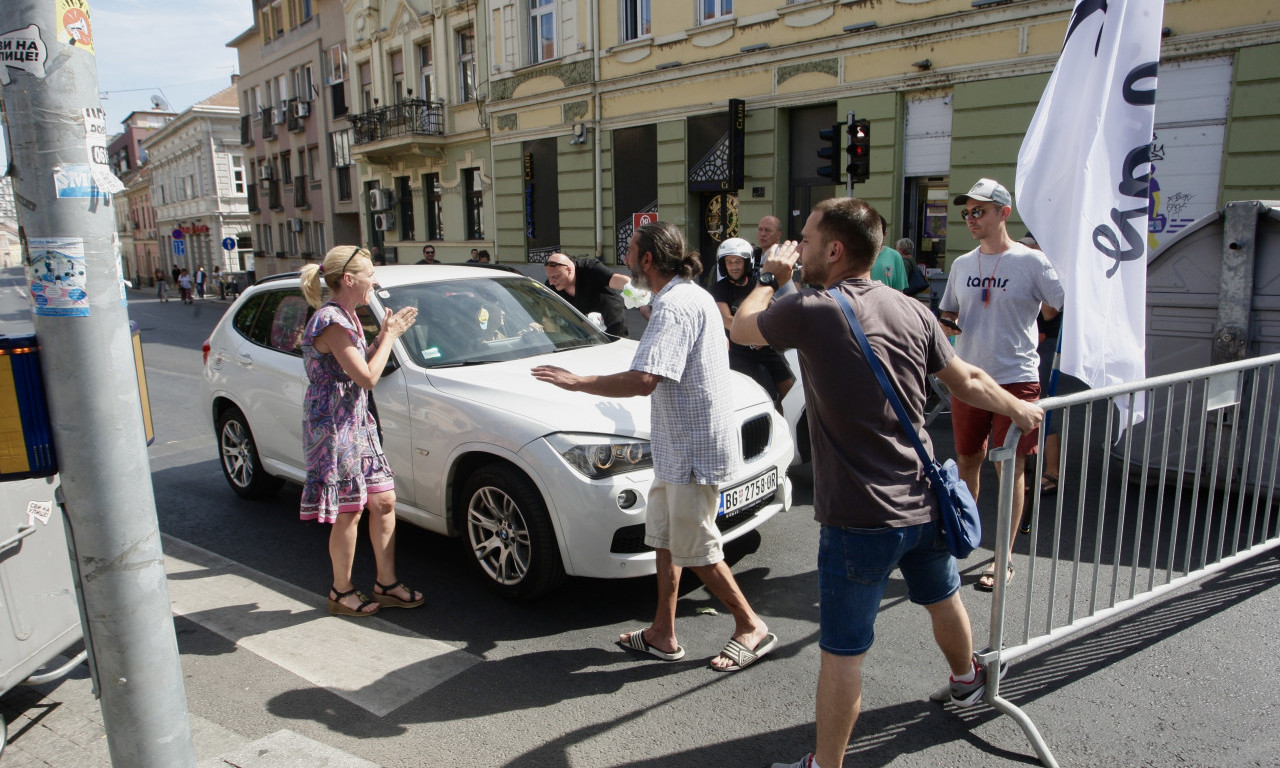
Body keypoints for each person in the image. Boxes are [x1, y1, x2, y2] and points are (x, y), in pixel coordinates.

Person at [729, 197, 1044, 768]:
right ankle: (967, 679)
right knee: (942, 596)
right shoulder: (911, 309)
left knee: (843, 653)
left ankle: (825, 765)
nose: (797, 248)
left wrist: (768, 277)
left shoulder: (812, 308)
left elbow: (743, 327)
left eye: (805, 239)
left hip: (859, 518)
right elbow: (968, 379)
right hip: (924, 501)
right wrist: (1018, 409)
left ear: (834, 250)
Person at [532, 222, 776, 672]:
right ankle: (663, 632)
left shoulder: (676, 305)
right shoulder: (686, 295)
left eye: (630, 250)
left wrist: (577, 382)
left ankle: (750, 626)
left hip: (692, 448)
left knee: (695, 545)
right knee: (664, 537)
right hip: (677, 446)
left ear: (647, 259)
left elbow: (644, 380)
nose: (625, 258)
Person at [939, 178, 1064, 590]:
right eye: (967, 212)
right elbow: (948, 314)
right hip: (968, 379)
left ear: (1003, 213)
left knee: (1009, 467)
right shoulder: (962, 264)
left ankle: (1004, 556)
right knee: (968, 461)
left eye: (979, 211)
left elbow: (1059, 305)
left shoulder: (1032, 262)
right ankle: (965, 540)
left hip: (1016, 379)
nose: (971, 219)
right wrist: (942, 326)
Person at [299, 246, 425, 617]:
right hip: (334, 429)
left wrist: (382, 336)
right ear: (349, 279)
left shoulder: (349, 316)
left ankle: (385, 584)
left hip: (357, 422)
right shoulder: (331, 321)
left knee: (384, 501)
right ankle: (341, 591)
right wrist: (390, 336)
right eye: (370, 273)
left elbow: (358, 365)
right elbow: (367, 377)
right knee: (350, 511)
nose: (376, 279)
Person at [710, 237, 794, 410]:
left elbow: (771, 309)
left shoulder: (759, 283)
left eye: (738, 261)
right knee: (744, 393)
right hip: (738, 348)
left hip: (764, 345)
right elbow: (727, 320)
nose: (733, 266)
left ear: (747, 262)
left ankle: (780, 418)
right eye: (729, 262)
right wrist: (753, 335)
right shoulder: (719, 289)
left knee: (789, 389)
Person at [543, 252, 632, 337]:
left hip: (612, 324)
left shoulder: (590, 268)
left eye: (554, 277)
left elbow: (616, 279)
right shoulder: (551, 287)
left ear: (569, 270)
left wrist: (635, 291)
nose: (551, 282)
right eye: (548, 277)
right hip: (584, 332)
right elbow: (547, 314)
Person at [870, 216, 907, 290]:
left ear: (884, 234)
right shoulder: (856, 256)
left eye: (877, 233)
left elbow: (899, 291)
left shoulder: (895, 256)